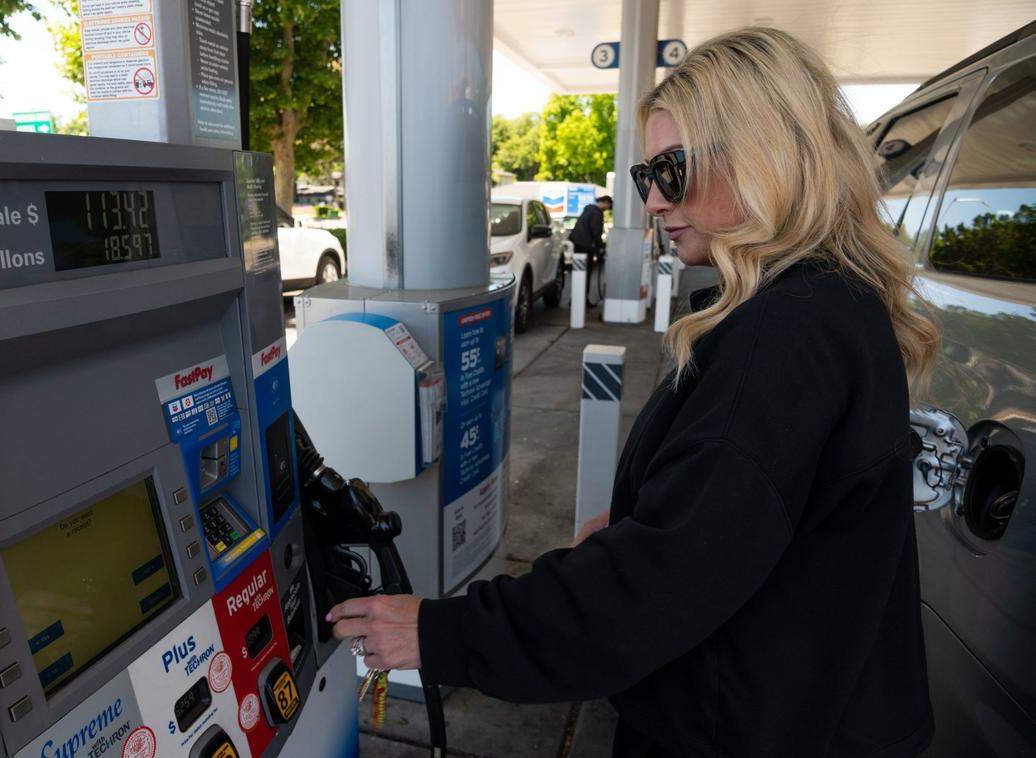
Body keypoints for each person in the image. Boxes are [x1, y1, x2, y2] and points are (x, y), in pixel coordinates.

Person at [328, 27, 940, 757]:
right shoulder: (833, 304)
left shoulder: (787, 335)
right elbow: (730, 529)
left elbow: (654, 588)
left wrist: (438, 633)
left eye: (671, 171)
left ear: (763, 155)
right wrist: (644, 521)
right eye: (645, 175)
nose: (650, 200)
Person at [568, 194, 613, 260]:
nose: (606, 209)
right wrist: (600, 246)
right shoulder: (596, 212)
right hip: (585, 244)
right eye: (608, 207)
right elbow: (596, 231)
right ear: (606, 202)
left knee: (577, 262)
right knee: (587, 263)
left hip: (575, 241)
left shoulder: (588, 209)